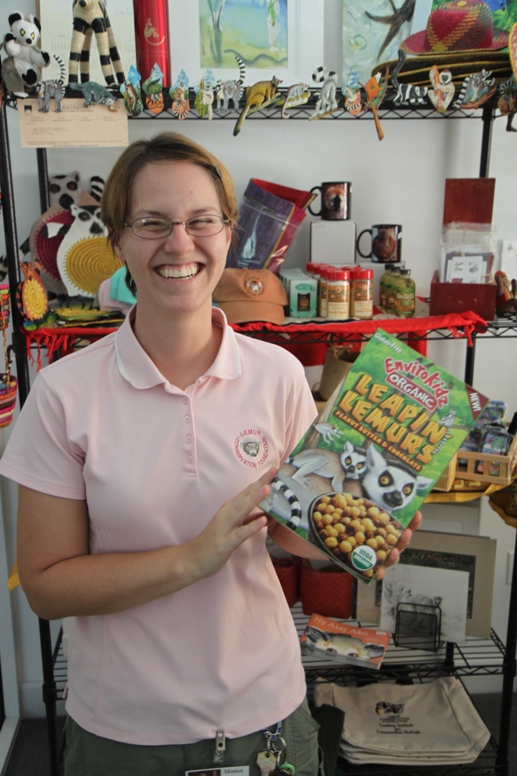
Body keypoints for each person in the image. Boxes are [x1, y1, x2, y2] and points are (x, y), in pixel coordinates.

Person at [0, 132, 420, 776]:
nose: (180, 244)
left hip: (266, 715)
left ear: (229, 234)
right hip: (124, 731)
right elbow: (48, 587)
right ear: (118, 241)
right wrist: (192, 559)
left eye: (202, 221)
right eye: (152, 222)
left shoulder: (278, 375)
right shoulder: (63, 394)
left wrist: (359, 539)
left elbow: (290, 528)